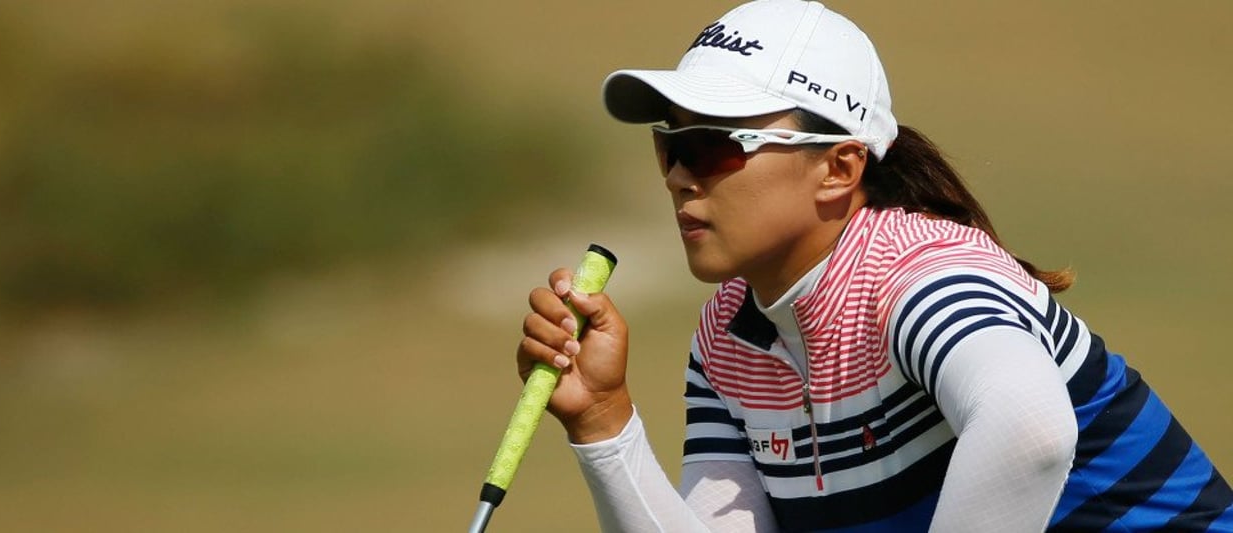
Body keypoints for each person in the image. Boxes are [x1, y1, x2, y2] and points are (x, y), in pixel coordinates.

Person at [515, 1, 1233, 531]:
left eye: (712, 147)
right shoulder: (729, 336)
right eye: (669, 145)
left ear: (839, 166)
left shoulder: (921, 270)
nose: (678, 176)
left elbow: (1031, 430)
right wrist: (604, 418)